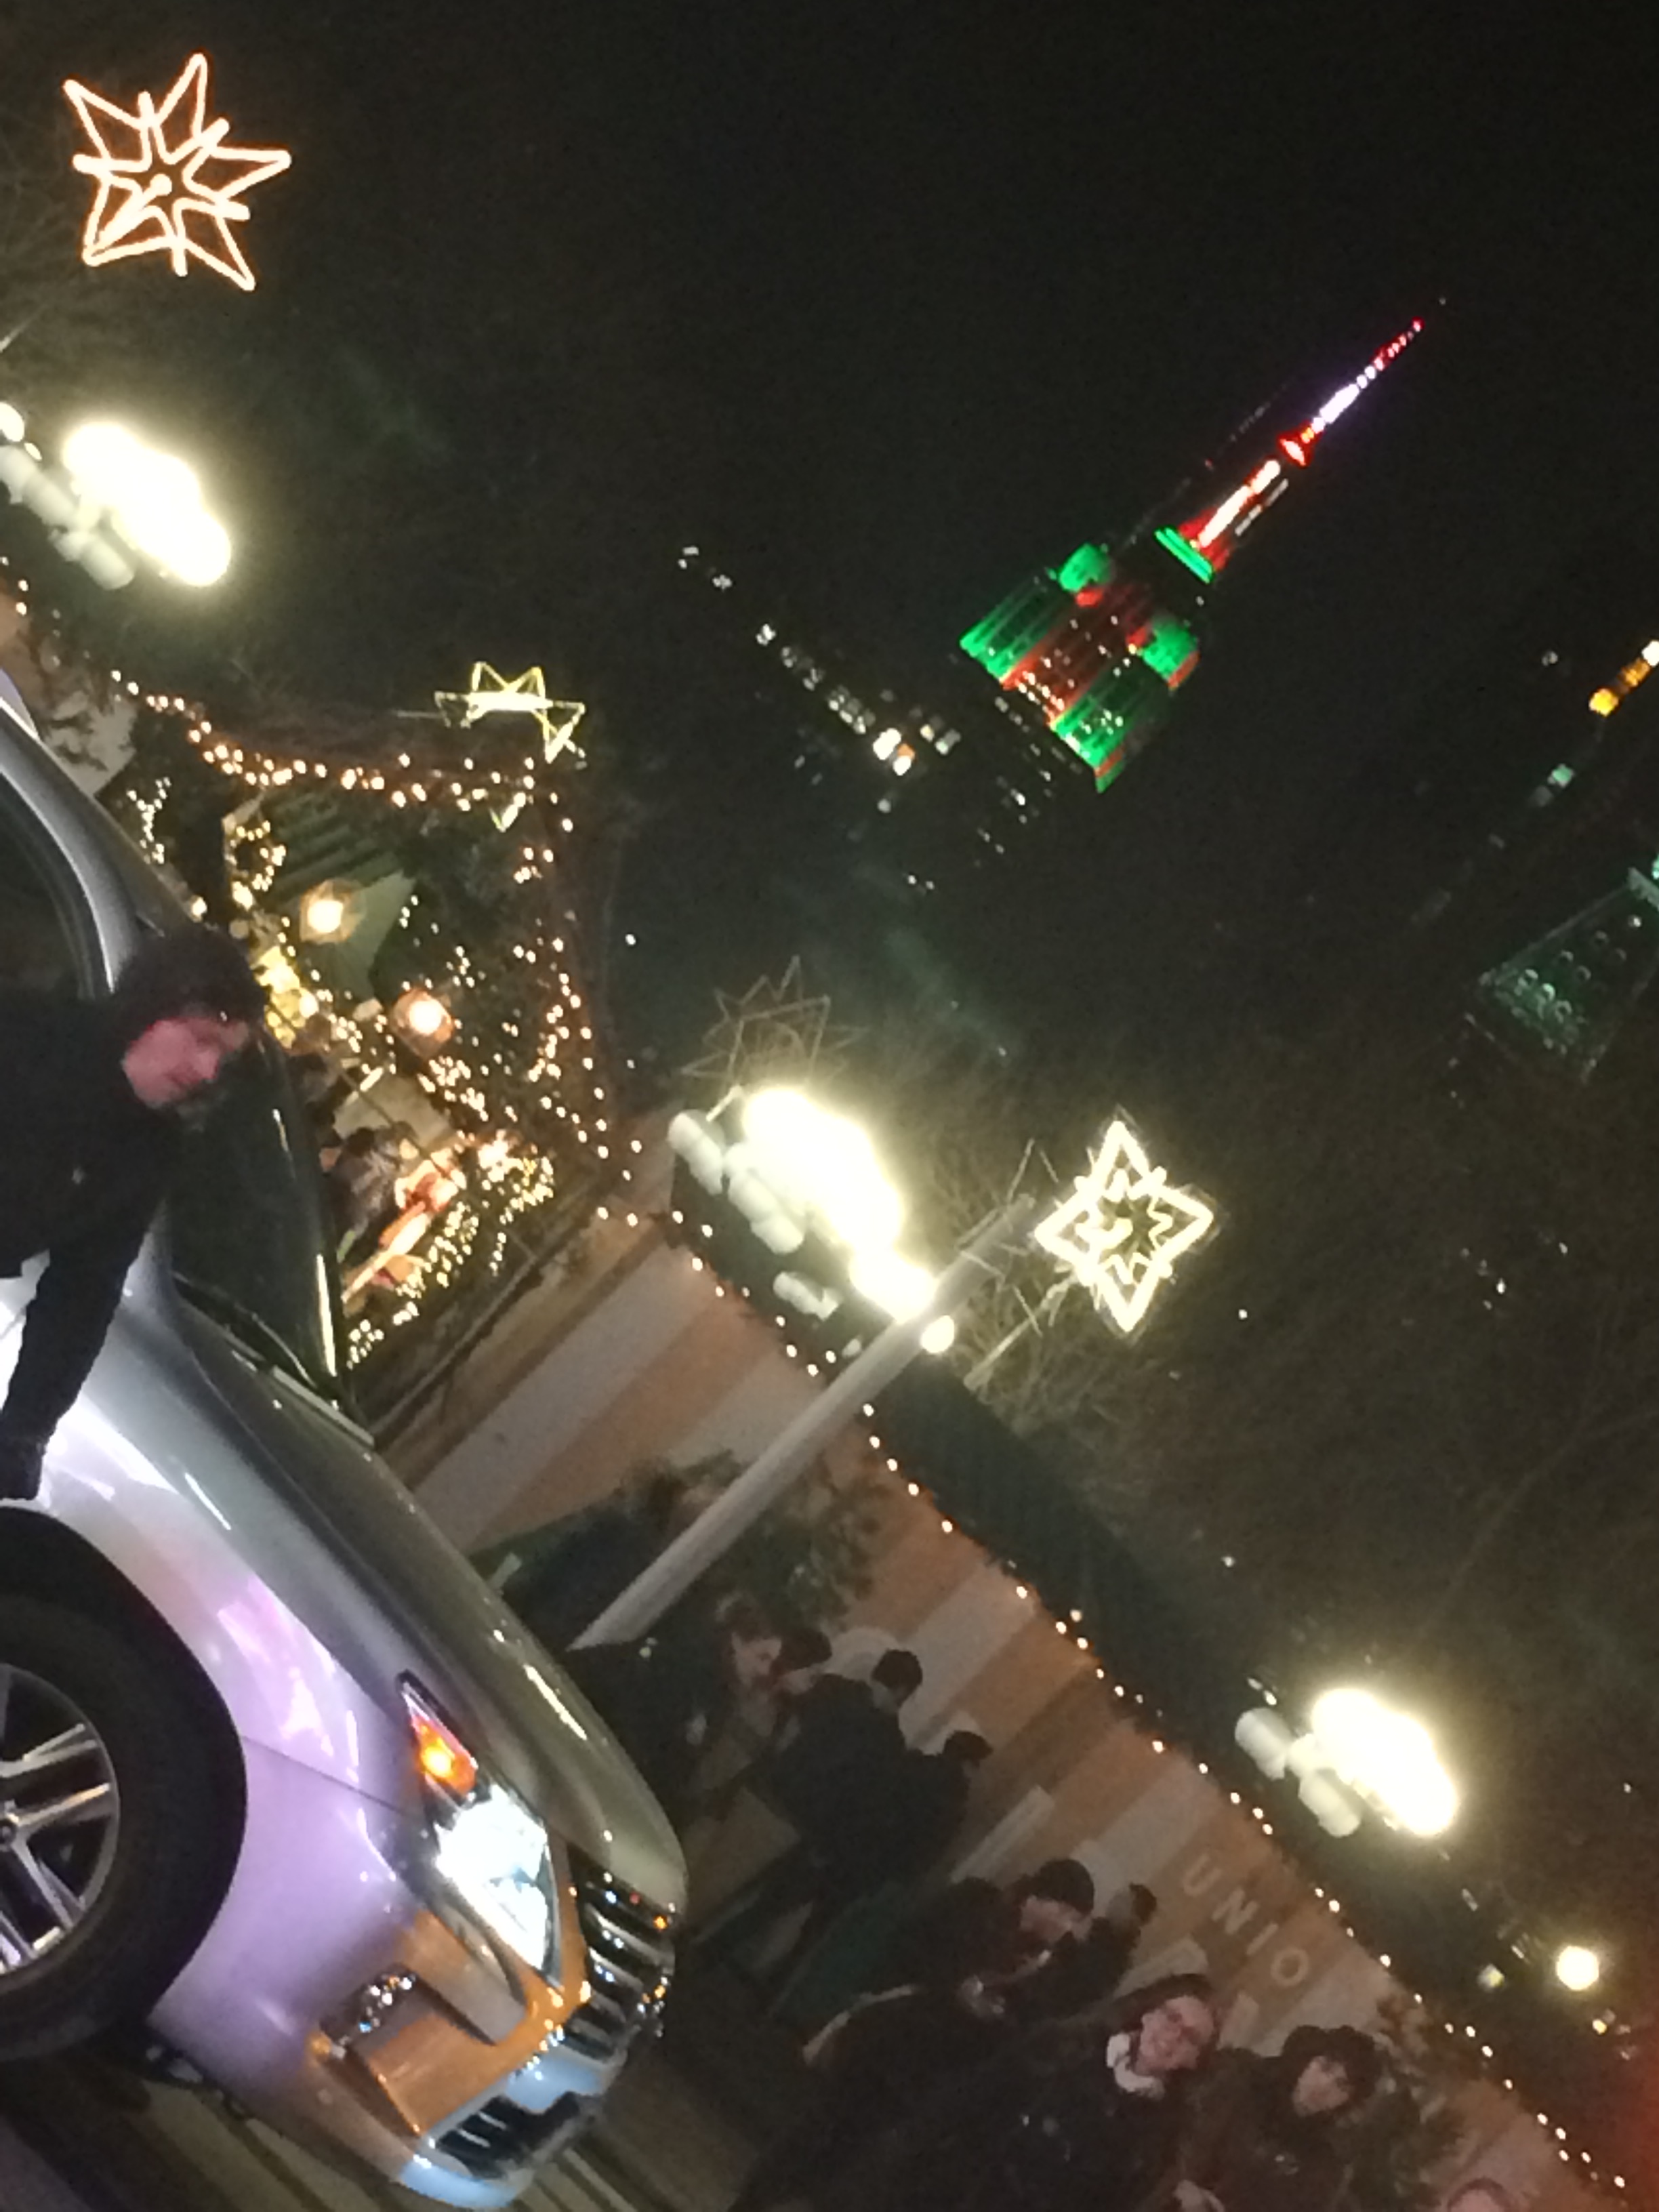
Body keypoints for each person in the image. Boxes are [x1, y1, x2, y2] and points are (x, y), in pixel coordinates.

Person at [0, 924, 262, 1502]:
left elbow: (82, 1293)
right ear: (154, 1005)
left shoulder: (148, 1148)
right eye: (201, 1039)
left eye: (222, 1056)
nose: (206, 1070)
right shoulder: (26, 1036)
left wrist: (25, 1430)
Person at [728, 1858, 1099, 2212]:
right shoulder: (977, 1905)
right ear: (1045, 1900)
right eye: (1067, 1914)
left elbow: (1021, 2029)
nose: (1067, 1928)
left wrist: (999, 2013)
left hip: (923, 2075)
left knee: (845, 2157)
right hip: (889, 2040)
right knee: (816, 2127)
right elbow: (913, 1948)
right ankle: (751, 2202)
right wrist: (955, 1988)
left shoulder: (1040, 1967)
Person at [853, 1973, 1220, 2212]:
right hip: (943, 2190)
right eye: (1171, 2017)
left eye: (1190, 2037)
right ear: (1148, 2014)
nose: (1172, 2035)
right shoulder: (1065, 2045)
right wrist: (899, 2155)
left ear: (1193, 2060)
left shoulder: (1158, 2140)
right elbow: (968, 2097)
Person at [696, 1647, 926, 1975]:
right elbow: (860, 1803)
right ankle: (701, 1951)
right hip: (801, 1824)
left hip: (764, 1790)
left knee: (709, 1863)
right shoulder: (889, 1744)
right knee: (751, 1897)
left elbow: (786, 1716)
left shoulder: (832, 1688)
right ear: (903, 1692)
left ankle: (678, 1926)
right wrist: (826, 1848)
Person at [1176, 2023, 1382, 2212]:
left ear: (1347, 2101)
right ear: (1307, 2061)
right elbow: (1182, 2136)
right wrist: (1186, 2185)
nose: (1324, 2087)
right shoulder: (1243, 2084)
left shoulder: (1324, 2163)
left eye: (1341, 2086)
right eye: (1324, 2068)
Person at [485, 1466, 695, 1652]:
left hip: (526, 1631)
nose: (609, 1499)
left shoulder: (612, 1533)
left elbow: (548, 1571)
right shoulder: (652, 1572)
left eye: (621, 1493)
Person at [1014, 1879, 1158, 2023]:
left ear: (1133, 1919)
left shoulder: (1115, 1958)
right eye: (1117, 1896)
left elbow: (1076, 1984)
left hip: (1044, 2005)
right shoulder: (1099, 1927)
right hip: (1034, 1985)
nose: (1114, 1902)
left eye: (1122, 1902)